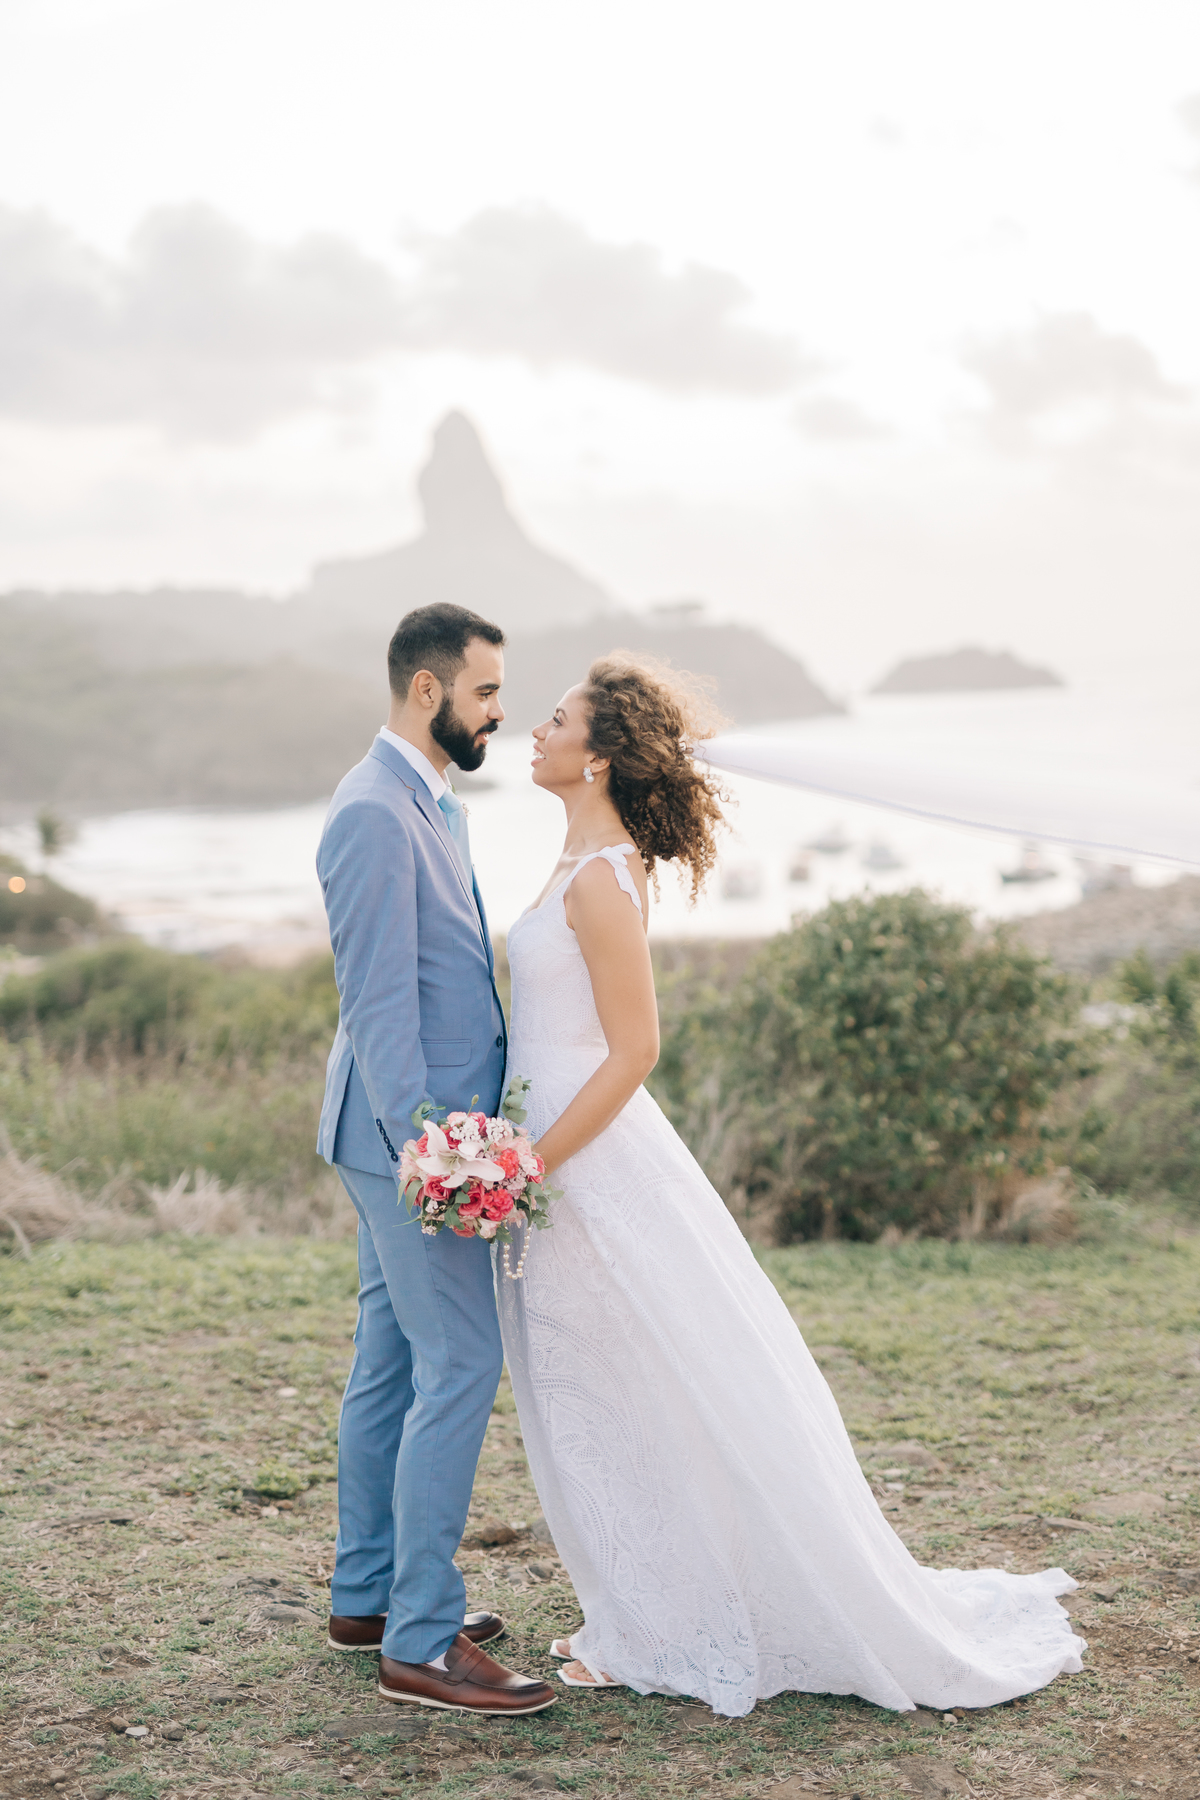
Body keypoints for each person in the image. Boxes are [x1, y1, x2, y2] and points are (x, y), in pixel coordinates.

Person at [498, 652, 1085, 1718]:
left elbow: (633, 1052)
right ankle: (639, 1604)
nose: (535, 732)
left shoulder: (601, 878)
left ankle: (662, 1628)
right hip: (550, 1162)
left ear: (603, 755)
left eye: (556, 718)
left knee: (636, 1387)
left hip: (587, 1165)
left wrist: (533, 1163)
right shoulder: (572, 862)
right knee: (601, 1390)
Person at [315, 602, 555, 1716]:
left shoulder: (429, 799)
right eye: (486, 692)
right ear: (428, 690)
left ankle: (369, 1595)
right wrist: (434, 1149)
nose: (499, 712)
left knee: (393, 1364)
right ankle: (419, 1639)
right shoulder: (373, 810)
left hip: (402, 1139)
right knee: (460, 1363)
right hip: (410, 1145)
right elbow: (375, 1001)